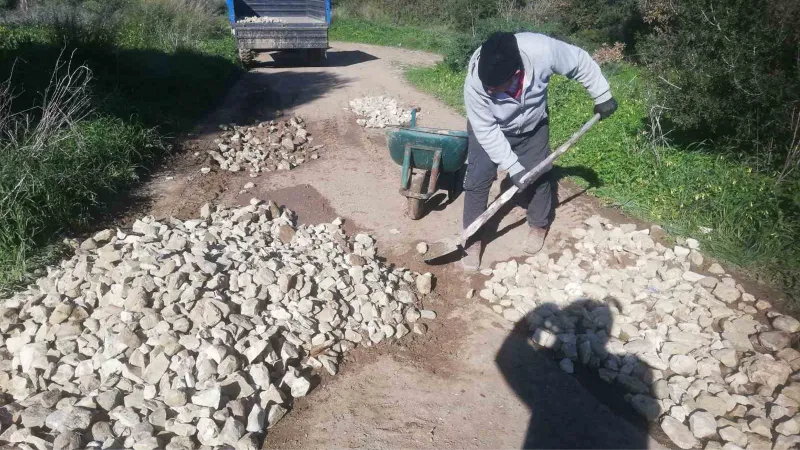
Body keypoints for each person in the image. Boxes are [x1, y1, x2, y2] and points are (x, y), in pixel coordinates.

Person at [461, 31, 618, 271]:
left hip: (533, 125)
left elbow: (580, 61)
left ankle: (538, 225)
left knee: (540, 174)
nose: (489, 91)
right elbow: (486, 129)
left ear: (516, 73)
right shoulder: (476, 81)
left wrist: (601, 93)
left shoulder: (541, 50)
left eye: (494, 87)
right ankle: (471, 238)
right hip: (491, 129)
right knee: (477, 178)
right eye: (487, 86)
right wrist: (513, 167)